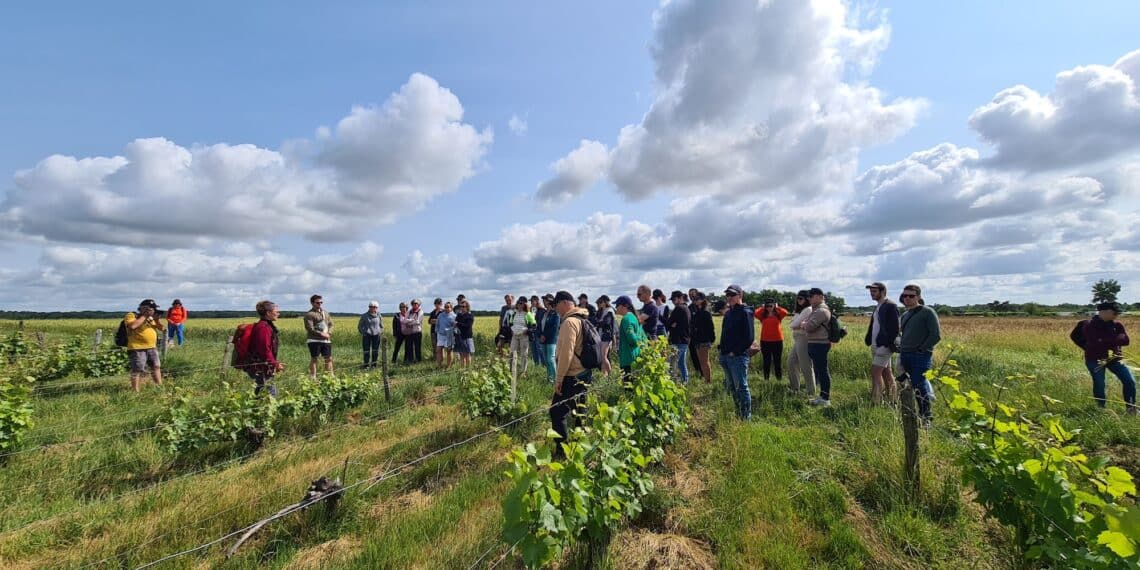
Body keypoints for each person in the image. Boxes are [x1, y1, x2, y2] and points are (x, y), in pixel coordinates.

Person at [550, 291, 593, 458]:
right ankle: (579, 445)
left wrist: (559, 378)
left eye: (556, 305)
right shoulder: (582, 318)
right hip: (584, 372)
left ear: (564, 303)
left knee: (556, 411)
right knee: (579, 410)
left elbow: (567, 353)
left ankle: (562, 452)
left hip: (571, 375)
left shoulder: (569, 322)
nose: (556, 309)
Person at [1079, 302, 1136, 413]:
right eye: (1114, 313)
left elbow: (1126, 341)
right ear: (1104, 312)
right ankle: (1100, 409)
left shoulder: (1117, 325)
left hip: (1114, 359)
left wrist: (1105, 340)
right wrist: (1115, 339)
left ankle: (1131, 409)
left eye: (1117, 313)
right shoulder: (1089, 325)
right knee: (1100, 384)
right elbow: (1095, 342)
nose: (1116, 315)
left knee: (1129, 381)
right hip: (1094, 360)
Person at [899, 284, 941, 423]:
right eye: (905, 296)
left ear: (918, 297)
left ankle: (926, 416)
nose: (907, 298)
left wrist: (922, 349)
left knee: (919, 384)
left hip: (920, 356)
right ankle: (913, 413)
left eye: (911, 296)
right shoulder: (905, 314)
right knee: (907, 383)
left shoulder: (927, 312)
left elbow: (935, 335)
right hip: (905, 354)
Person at [719, 284, 754, 419]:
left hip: (738, 357)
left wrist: (735, 352)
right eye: (727, 295)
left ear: (740, 295)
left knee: (741, 387)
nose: (729, 297)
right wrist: (722, 351)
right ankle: (739, 412)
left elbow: (749, 338)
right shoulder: (729, 313)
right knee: (732, 387)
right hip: (726, 356)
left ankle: (746, 418)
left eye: (733, 295)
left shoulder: (745, 312)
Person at [864, 282, 900, 405]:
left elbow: (895, 328)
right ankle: (893, 399)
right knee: (886, 372)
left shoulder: (890, 305)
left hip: (883, 346)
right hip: (876, 344)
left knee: (875, 372)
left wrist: (887, 345)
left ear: (882, 291)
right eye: (871, 292)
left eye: (874, 292)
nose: (871, 294)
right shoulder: (879, 305)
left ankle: (876, 401)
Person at [124, 299, 165, 392]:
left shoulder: (151, 318)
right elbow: (132, 326)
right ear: (142, 308)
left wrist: (157, 319)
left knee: (156, 366)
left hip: (152, 347)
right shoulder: (131, 315)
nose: (152, 310)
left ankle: (159, 387)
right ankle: (136, 391)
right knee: (137, 369)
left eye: (153, 309)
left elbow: (162, 328)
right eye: (150, 308)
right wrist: (145, 315)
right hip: (137, 347)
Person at [802, 288, 833, 407]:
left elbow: (809, 326)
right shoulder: (817, 310)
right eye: (809, 296)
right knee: (819, 370)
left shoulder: (821, 311)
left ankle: (825, 398)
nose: (809, 298)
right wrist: (806, 324)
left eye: (812, 296)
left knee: (823, 371)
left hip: (820, 344)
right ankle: (822, 396)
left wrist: (805, 324)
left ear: (820, 296)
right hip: (816, 343)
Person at [248, 300, 284, 396]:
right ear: (268, 313)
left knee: (261, 391)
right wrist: (275, 364)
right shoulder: (263, 328)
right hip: (261, 367)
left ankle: (256, 408)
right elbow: (264, 350)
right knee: (271, 394)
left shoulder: (266, 325)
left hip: (262, 365)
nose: (278, 313)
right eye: (276, 312)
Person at [787, 291, 815, 395]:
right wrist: (797, 324)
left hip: (803, 338)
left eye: (801, 298)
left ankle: (810, 392)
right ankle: (795, 389)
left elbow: (793, 325)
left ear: (807, 299)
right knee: (791, 362)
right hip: (798, 338)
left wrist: (796, 324)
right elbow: (794, 324)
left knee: (806, 365)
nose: (799, 301)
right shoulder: (800, 311)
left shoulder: (808, 309)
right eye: (798, 299)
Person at [754, 298, 789, 382]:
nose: (769, 307)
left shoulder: (778, 315)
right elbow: (755, 313)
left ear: (774, 305)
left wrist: (777, 307)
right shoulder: (763, 315)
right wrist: (762, 308)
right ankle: (766, 380)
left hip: (777, 341)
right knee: (766, 362)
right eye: (767, 306)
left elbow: (785, 312)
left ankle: (779, 380)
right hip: (765, 341)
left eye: (771, 306)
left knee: (777, 362)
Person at [614, 295, 646, 386]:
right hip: (634, 357)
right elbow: (642, 337)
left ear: (624, 306)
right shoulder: (633, 317)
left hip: (628, 359)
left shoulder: (626, 319)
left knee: (628, 389)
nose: (616, 308)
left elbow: (632, 339)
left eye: (617, 305)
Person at [507, 297, 537, 387]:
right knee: (512, 353)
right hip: (515, 336)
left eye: (521, 304)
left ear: (524, 305)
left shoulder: (527, 314)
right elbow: (511, 323)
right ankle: (512, 370)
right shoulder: (514, 313)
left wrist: (527, 331)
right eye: (518, 303)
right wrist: (511, 330)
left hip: (524, 336)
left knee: (524, 354)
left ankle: (523, 372)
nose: (520, 305)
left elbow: (534, 325)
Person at [303, 294, 334, 378]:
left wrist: (329, 333)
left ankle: (330, 376)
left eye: (321, 302)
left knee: (329, 358)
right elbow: (309, 328)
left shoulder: (326, 313)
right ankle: (313, 377)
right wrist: (321, 334)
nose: (320, 304)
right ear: (312, 303)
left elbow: (331, 324)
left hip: (326, 340)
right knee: (314, 358)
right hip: (314, 340)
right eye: (317, 302)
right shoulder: (309, 314)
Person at [690, 292, 715, 383]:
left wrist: (711, 340)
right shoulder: (697, 312)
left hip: (704, 340)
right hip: (697, 340)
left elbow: (711, 328)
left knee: (705, 362)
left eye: (697, 299)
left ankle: (708, 381)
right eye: (694, 299)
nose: (695, 301)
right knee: (701, 362)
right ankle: (706, 380)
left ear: (703, 300)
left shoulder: (706, 313)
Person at [667, 290, 691, 384]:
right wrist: (672, 324)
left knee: (672, 363)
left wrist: (672, 324)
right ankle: (685, 381)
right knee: (681, 363)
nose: (673, 301)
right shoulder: (686, 308)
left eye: (674, 299)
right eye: (672, 299)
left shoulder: (678, 308)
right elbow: (671, 323)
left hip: (678, 340)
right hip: (684, 340)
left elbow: (669, 323)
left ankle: (672, 383)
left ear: (680, 298)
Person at [539, 294, 560, 383]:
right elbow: (539, 326)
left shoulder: (556, 313)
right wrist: (540, 335)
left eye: (546, 300)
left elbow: (555, 327)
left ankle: (556, 379)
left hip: (551, 339)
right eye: (543, 300)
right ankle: (549, 378)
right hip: (542, 339)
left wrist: (544, 335)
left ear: (551, 301)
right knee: (545, 360)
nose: (544, 302)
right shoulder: (544, 313)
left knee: (550, 359)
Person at [594, 295, 616, 376]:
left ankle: (611, 375)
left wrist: (599, 322)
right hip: (601, 335)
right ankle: (605, 375)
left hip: (606, 336)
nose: (599, 304)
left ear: (604, 302)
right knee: (603, 357)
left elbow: (606, 323)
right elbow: (595, 321)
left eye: (600, 302)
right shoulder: (602, 311)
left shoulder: (609, 311)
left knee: (604, 357)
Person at [357, 300, 384, 369]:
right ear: (369, 307)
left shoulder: (379, 315)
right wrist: (364, 333)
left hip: (376, 336)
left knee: (375, 351)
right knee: (366, 351)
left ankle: (374, 365)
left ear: (377, 308)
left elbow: (381, 326)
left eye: (375, 307)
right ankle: (366, 365)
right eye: (371, 307)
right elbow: (360, 326)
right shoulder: (364, 315)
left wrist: (380, 332)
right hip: (367, 336)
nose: (373, 308)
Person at [401, 299, 424, 363]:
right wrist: (411, 320)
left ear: (419, 304)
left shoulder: (420, 311)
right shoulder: (409, 311)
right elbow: (404, 321)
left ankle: (418, 360)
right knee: (409, 347)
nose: (415, 305)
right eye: (413, 303)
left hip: (417, 332)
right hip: (409, 332)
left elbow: (418, 322)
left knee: (417, 347)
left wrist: (409, 321)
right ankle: (411, 360)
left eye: (416, 303)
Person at [435, 301, 457, 369]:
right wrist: (437, 330)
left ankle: (449, 366)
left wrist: (453, 331)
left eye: (448, 307)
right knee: (438, 349)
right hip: (440, 335)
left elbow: (455, 327)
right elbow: (437, 323)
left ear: (451, 308)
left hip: (449, 335)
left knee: (449, 351)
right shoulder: (441, 315)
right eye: (445, 307)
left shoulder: (454, 316)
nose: (446, 308)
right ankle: (439, 365)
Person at [453, 301, 475, 367]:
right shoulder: (459, 315)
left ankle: (468, 369)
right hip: (459, 336)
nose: (461, 308)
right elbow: (455, 323)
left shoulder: (470, 316)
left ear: (467, 307)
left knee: (467, 354)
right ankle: (462, 370)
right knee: (461, 354)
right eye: (460, 306)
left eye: (463, 306)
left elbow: (467, 326)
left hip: (467, 337)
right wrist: (456, 324)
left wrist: (457, 324)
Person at [687, 288, 702, 372]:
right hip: (692, 335)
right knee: (693, 355)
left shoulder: (701, 306)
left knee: (701, 356)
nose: (691, 296)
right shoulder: (689, 307)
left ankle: (704, 374)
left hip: (701, 336)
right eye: (690, 295)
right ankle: (698, 372)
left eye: (693, 294)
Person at [428, 298, 444, 366]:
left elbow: (443, 321)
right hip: (433, 331)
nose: (437, 305)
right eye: (436, 303)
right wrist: (435, 321)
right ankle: (435, 359)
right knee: (434, 345)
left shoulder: (443, 312)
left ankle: (441, 359)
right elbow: (429, 321)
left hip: (440, 331)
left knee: (440, 346)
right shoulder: (433, 312)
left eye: (439, 303)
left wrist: (435, 321)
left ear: (441, 304)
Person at [530, 295, 545, 366]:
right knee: (534, 349)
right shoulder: (530, 310)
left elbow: (541, 322)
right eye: (531, 301)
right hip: (532, 332)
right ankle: (536, 364)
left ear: (537, 301)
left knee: (540, 349)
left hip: (538, 332)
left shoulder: (542, 310)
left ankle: (543, 364)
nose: (531, 303)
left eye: (533, 301)